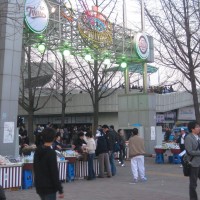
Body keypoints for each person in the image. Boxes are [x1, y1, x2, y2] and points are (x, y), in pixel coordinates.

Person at [33, 127, 64, 200]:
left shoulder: (38, 151)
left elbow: (35, 167)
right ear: (53, 138)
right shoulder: (51, 153)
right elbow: (54, 172)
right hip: (49, 187)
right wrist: (60, 189)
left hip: (39, 186)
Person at [184, 121, 200, 200]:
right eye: (197, 127)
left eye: (199, 127)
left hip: (199, 163)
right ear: (192, 129)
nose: (199, 128)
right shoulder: (188, 138)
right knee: (193, 184)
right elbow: (189, 151)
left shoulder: (198, 137)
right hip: (193, 163)